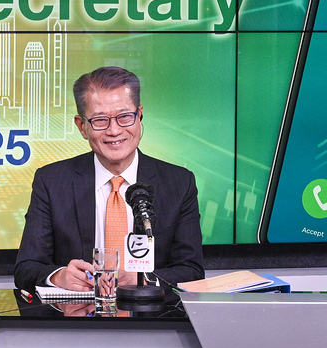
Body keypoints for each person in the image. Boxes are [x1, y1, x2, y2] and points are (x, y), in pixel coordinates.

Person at [14, 66, 204, 293]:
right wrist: (59, 276)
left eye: (124, 117)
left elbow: (191, 270)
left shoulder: (179, 183)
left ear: (139, 115)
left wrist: (144, 279)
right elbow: (26, 268)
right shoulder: (52, 181)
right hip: (78, 314)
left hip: (149, 314)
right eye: (100, 120)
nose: (114, 131)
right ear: (81, 126)